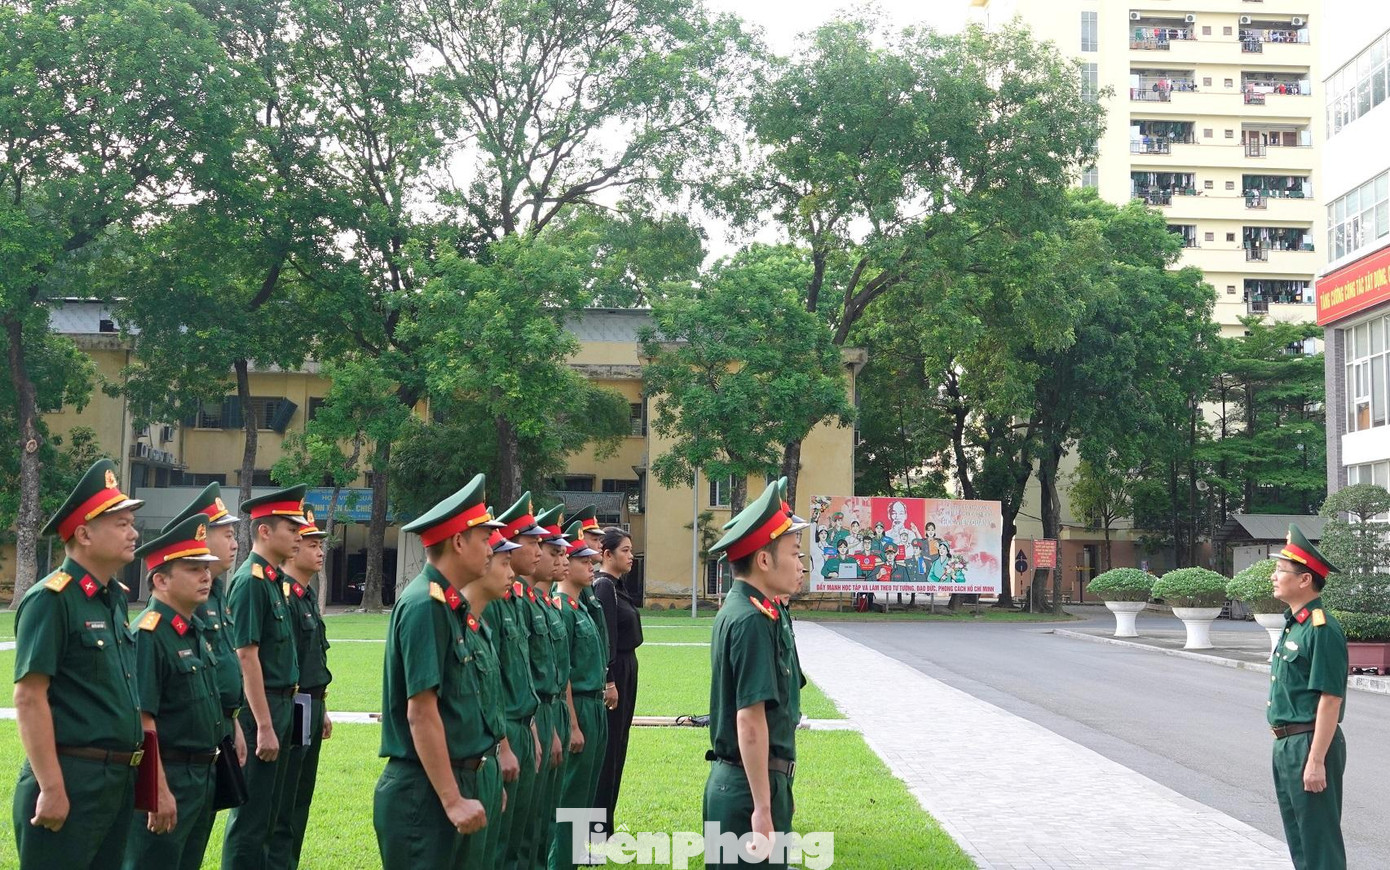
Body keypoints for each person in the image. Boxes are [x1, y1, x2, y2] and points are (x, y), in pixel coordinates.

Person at [13, 458, 145, 870]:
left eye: (131, 522)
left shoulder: (112, 598)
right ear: (84, 533)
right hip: (72, 776)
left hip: (116, 781)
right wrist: (51, 787)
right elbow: (29, 697)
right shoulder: (51, 599)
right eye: (121, 524)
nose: (134, 532)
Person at [374, 474, 507, 869]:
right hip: (424, 794)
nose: (491, 547)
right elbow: (421, 711)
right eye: (484, 538)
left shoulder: (452, 607)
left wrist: (482, 777)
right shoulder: (425, 606)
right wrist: (453, 798)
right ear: (459, 542)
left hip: (455, 779)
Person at [703, 481, 807, 868]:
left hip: (755, 783)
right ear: (764, 561)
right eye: (794, 554)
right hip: (748, 791)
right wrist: (762, 809)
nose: (800, 564)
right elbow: (749, 720)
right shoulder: (749, 620)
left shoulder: (753, 610)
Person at [122, 514, 224, 870]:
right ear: (161, 580)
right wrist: (157, 788)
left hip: (201, 774)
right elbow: (143, 718)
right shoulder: (149, 634)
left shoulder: (193, 630)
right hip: (170, 773)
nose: (205, 575)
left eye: (206, 567)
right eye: (193, 568)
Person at [221, 485, 311, 870]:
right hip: (264, 709)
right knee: (252, 817)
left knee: (275, 813)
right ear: (265, 532)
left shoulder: (274, 581)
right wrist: (263, 725)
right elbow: (246, 656)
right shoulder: (251, 582)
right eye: (291, 529)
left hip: (283, 704)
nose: (298, 535)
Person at [1269, 525, 1348, 870]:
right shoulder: (1295, 624)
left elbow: (1330, 699)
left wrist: (1315, 760)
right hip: (1287, 743)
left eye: (1280, 570)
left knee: (1319, 844)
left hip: (1310, 742)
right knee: (1300, 841)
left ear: (1304, 580)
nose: (1273, 576)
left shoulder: (1322, 628)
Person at [161, 484, 248, 777]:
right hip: (184, 738)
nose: (235, 544)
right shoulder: (184, 597)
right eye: (227, 535)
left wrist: (233, 720)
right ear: (201, 536)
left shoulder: (218, 591)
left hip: (219, 725)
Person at [268, 509, 334, 870]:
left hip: (311, 705)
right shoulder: (287, 598)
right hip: (293, 706)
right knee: (282, 801)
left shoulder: (305, 596)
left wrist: (322, 709)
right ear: (293, 551)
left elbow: (313, 662)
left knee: (299, 800)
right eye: (311, 544)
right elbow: (286, 665)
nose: (319, 551)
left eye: (321, 544)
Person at [487, 493, 548, 869]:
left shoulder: (524, 601)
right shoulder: (493, 603)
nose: (541, 551)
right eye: (534, 542)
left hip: (532, 720)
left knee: (533, 828)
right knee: (502, 841)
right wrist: (505, 742)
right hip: (507, 724)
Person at [549, 523, 606, 869]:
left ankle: (575, 859)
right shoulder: (563, 608)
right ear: (567, 565)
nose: (592, 566)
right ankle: (561, 863)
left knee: (585, 796)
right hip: (579, 706)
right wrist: (572, 724)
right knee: (570, 798)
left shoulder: (580, 606)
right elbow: (565, 674)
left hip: (595, 705)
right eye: (584, 561)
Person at [592, 526, 641, 837]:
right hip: (616, 671)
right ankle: (597, 828)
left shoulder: (619, 586)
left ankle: (606, 824)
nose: (631, 555)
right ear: (606, 554)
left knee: (619, 746)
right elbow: (606, 637)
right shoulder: (604, 587)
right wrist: (610, 680)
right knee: (607, 752)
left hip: (628, 666)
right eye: (624, 550)